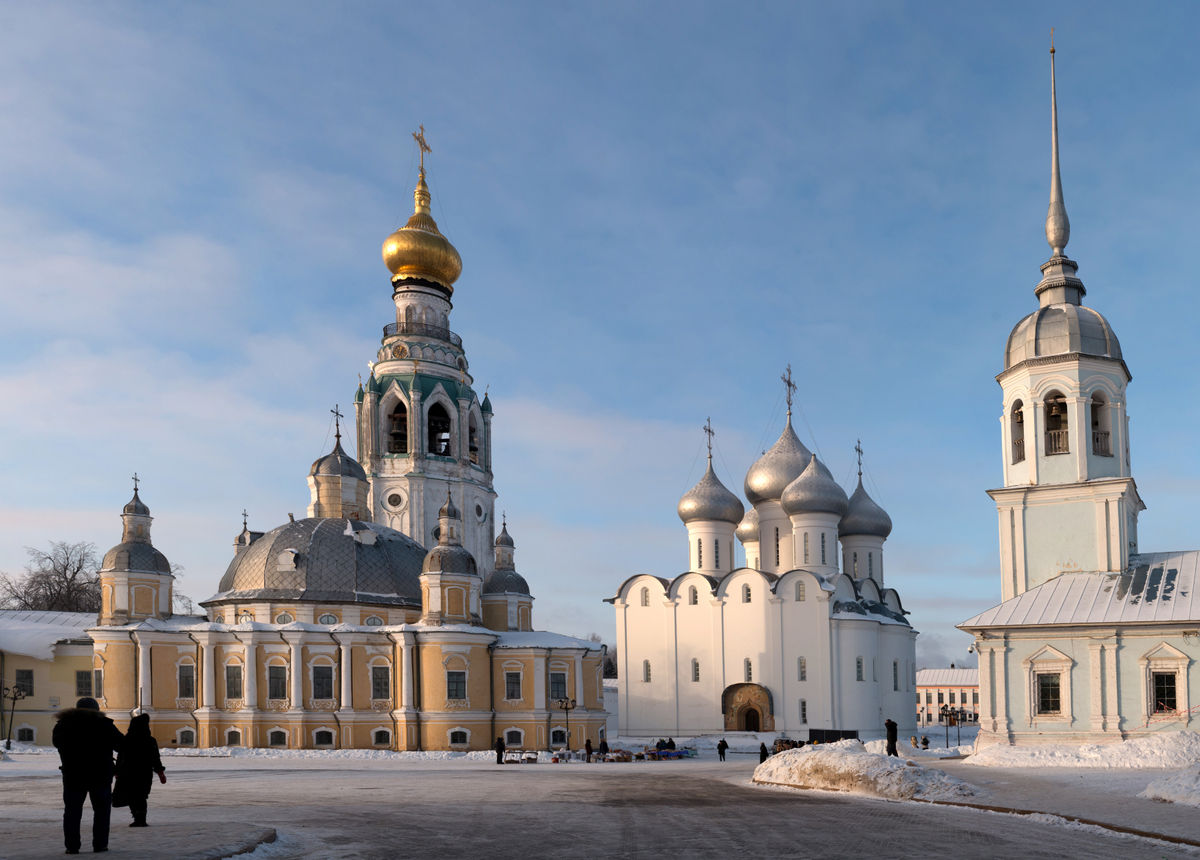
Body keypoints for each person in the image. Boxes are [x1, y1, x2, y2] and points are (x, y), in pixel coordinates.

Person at [52, 696, 124, 855]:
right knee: (102, 811)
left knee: (72, 812)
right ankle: (100, 845)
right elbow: (122, 746)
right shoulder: (105, 725)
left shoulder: (63, 726)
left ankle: (72, 847)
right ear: (97, 710)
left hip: (73, 775)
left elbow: (58, 744)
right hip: (100, 775)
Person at [113, 713, 166, 827]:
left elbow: (121, 756)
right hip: (144, 773)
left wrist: (117, 771)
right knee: (141, 795)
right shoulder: (150, 740)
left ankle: (137, 817)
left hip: (128, 773)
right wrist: (160, 772)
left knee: (131, 795)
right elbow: (155, 758)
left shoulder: (127, 739)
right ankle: (141, 817)